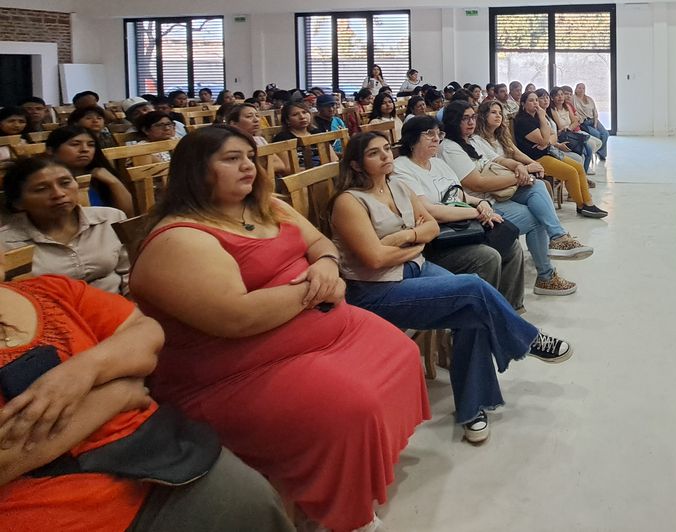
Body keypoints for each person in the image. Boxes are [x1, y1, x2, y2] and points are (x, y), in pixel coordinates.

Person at [129, 125, 430, 532]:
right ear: (196, 171)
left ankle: (360, 469)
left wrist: (325, 266)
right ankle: (345, 511)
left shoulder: (267, 205)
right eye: (231, 159)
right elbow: (237, 317)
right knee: (351, 408)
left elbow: (322, 243)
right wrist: (317, 289)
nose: (247, 166)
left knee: (402, 353)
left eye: (249, 157)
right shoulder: (179, 238)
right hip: (238, 370)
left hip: (325, 332)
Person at [328, 131, 573, 443]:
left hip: (415, 268)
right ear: (357, 165)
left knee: (472, 313)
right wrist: (413, 240)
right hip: (376, 290)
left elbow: (429, 226)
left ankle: (473, 410)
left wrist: (404, 239)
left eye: (387, 149)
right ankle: (527, 338)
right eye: (374, 153)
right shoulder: (349, 202)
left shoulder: (397, 186)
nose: (386, 156)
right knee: (472, 289)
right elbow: (374, 259)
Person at [0, 273, 293, 531]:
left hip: (156, 459)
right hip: (49, 508)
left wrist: (82, 371)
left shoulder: (50, 289)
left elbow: (146, 333)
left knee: (249, 495)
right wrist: (116, 396)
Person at [441, 100, 588, 296]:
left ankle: (558, 236)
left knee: (536, 185)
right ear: (453, 121)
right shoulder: (450, 148)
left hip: (498, 191)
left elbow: (498, 159)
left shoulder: (473, 140)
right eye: (464, 119)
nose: (470, 122)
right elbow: (476, 184)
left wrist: (519, 167)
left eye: (472, 117)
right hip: (481, 203)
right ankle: (546, 276)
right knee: (537, 217)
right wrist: (519, 176)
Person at [392, 115, 528, 310]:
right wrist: (475, 214)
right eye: (429, 134)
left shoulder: (437, 162)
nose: (436, 139)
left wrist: (480, 203)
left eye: (439, 134)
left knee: (511, 245)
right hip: (436, 238)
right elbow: (430, 211)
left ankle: (510, 310)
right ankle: (483, 316)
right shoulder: (402, 168)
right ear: (411, 138)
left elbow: (459, 194)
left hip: (461, 227)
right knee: (488, 256)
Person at [1, 155, 129, 293]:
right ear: (18, 203)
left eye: (65, 183)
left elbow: (130, 273)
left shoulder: (110, 218)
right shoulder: (6, 243)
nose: (58, 194)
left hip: (120, 308)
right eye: (41, 189)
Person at [514, 92, 606, 218]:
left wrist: (547, 141)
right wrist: (544, 129)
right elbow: (545, 140)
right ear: (523, 104)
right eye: (531, 100)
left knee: (578, 167)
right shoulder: (523, 121)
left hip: (548, 152)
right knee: (571, 172)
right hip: (535, 158)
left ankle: (588, 203)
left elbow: (553, 135)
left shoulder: (536, 117)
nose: (535, 103)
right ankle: (581, 205)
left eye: (536, 100)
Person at [45, 125, 134, 214]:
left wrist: (114, 182)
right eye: (75, 144)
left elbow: (128, 215)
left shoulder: (101, 177)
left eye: (91, 145)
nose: (85, 149)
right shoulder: (44, 181)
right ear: (51, 150)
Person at [272, 102, 319, 169]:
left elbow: (333, 158)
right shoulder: (282, 138)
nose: (302, 117)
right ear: (287, 120)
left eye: (304, 112)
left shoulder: (316, 133)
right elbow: (288, 169)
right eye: (295, 114)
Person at [572, 82, 609, 161]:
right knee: (597, 135)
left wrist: (595, 123)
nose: (581, 90)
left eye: (583, 88)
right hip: (584, 123)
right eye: (579, 88)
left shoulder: (589, 99)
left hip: (593, 120)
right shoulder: (573, 98)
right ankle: (599, 151)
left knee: (605, 134)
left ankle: (600, 152)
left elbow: (595, 112)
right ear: (576, 89)